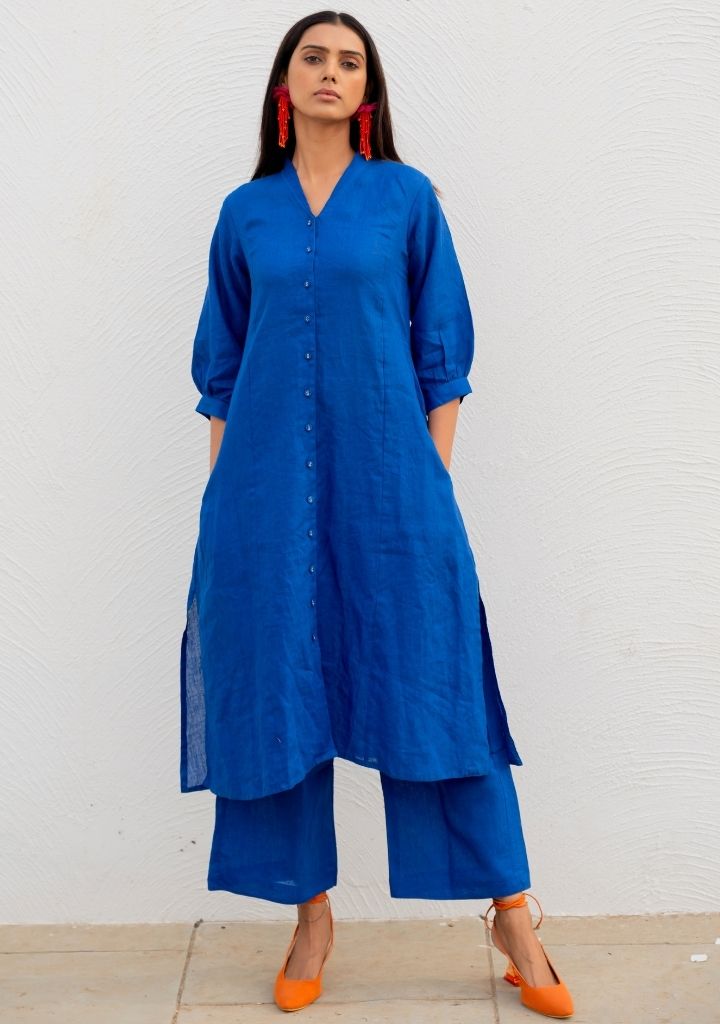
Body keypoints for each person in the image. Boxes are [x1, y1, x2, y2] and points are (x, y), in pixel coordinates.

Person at [179, 11, 574, 1019]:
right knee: (278, 694)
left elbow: (444, 353)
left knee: (437, 687)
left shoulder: (405, 200)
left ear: (369, 92)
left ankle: (513, 916)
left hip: (394, 494)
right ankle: (310, 917)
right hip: (262, 498)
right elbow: (222, 370)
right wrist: (223, 502)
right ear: (285, 85)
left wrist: (428, 481)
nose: (331, 71)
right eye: (313, 57)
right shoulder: (245, 213)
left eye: (349, 62)